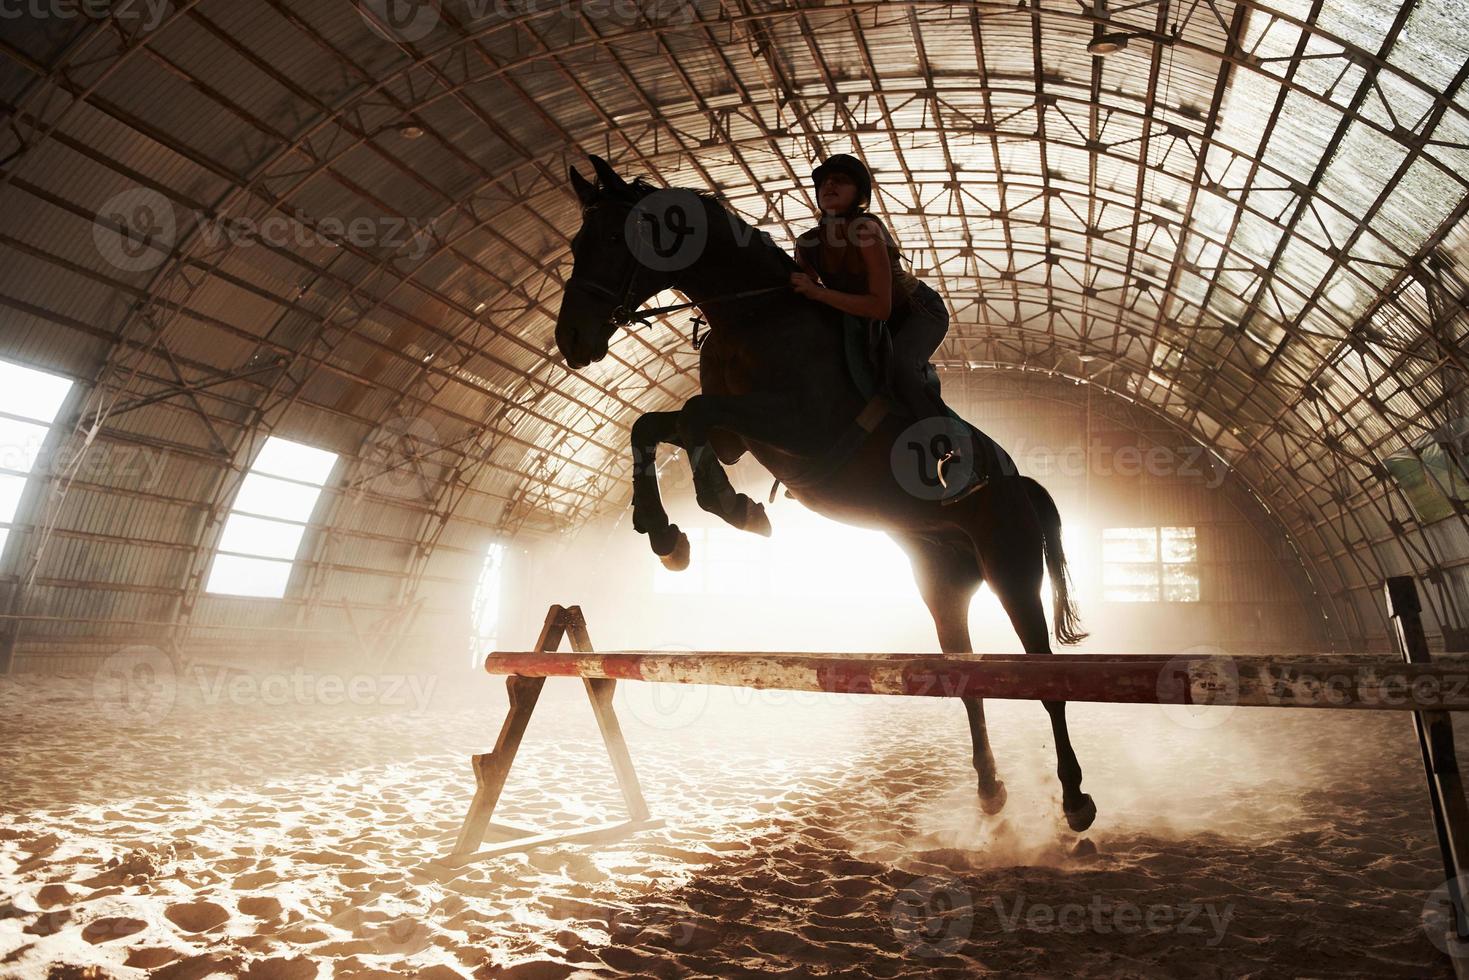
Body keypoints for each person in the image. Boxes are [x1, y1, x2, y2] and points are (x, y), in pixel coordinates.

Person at [789, 153, 951, 424]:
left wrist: (818, 292)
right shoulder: (807, 244)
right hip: (865, 320)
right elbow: (799, 299)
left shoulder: (865, 229)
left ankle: (946, 441)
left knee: (901, 368)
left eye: (840, 181)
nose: (829, 186)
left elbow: (880, 307)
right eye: (824, 183)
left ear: (859, 194)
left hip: (917, 313)